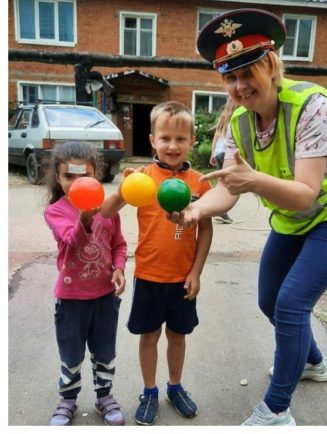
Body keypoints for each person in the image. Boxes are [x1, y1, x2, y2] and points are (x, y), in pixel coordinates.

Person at [187, 8, 327, 426]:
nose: (239, 86)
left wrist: (252, 179)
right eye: (229, 77)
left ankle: (276, 411)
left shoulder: (312, 106)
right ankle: (313, 363)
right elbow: (228, 189)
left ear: (270, 66)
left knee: (291, 304)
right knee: (269, 300)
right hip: (295, 218)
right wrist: (195, 209)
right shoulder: (238, 122)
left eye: (247, 72)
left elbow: (306, 192)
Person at [101, 101, 213, 425]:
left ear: (192, 140)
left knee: (178, 337)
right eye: (165, 138)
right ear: (152, 140)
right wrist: (123, 188)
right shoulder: (143, 178)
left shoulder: (199, 182)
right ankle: (149, 391)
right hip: (149, 275)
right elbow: (107, 212)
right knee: (148, 337)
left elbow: (205, 230)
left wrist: (196, 272)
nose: (172, 145)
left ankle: (174, 388)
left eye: (180, 138)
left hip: (183, 279)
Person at [43, 142, 127, 426]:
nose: (78, 183)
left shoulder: (108, 209)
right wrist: (85, 218)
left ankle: (105, 397)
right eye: (69, 176)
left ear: (97, 176)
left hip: (104, 296)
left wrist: (119, 269)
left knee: (105, 351)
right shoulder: (55, 211)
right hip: (71, 298)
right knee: (72, 353)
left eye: (85, 176)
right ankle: (68, 400)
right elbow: (74, 240)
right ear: (58, 176)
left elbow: (119, 244)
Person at [210, 99, 237, 224]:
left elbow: (216, 136)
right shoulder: (238, 117)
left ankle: (215, 207)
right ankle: (222, 212)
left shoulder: (223, 118)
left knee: (222, 181)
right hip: (228, 154)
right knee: (226, 183)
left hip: (219, 152)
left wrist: (213, 153)